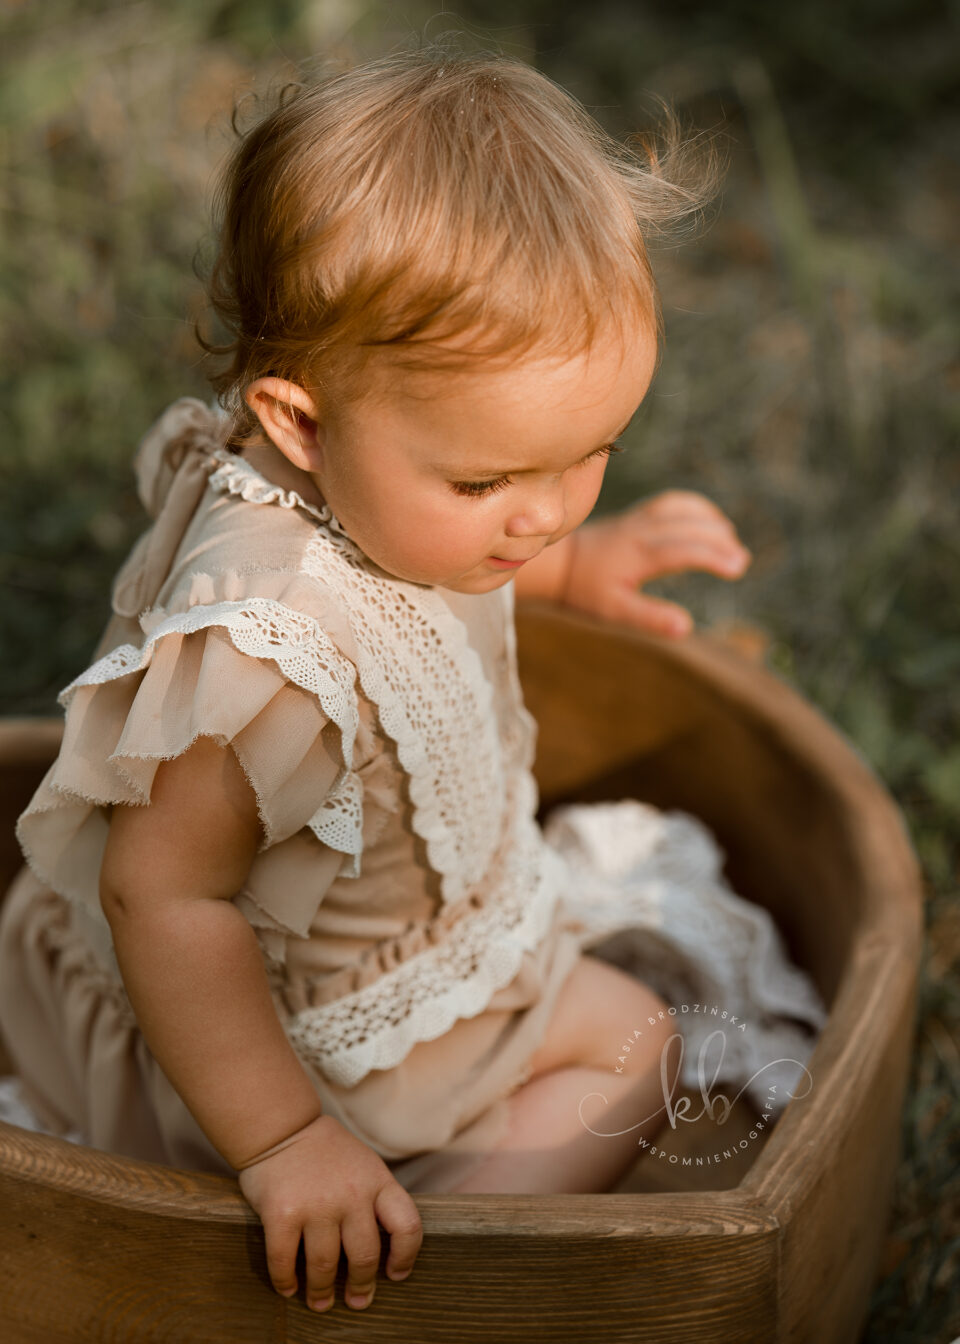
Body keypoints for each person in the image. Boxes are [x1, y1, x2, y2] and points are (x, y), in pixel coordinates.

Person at [0, 45, 828, 1316]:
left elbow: (470, 562)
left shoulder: (401, 485)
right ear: (302, 426)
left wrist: (580, 567)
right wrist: (284, 1141)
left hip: (425, 963)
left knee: (642, 1030)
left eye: (589, 456)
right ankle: (424, 1268)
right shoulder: (261, 656)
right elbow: (163, 898)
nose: (537, 517)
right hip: (291, 1055)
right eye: (490, 484)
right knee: (637, 1055)